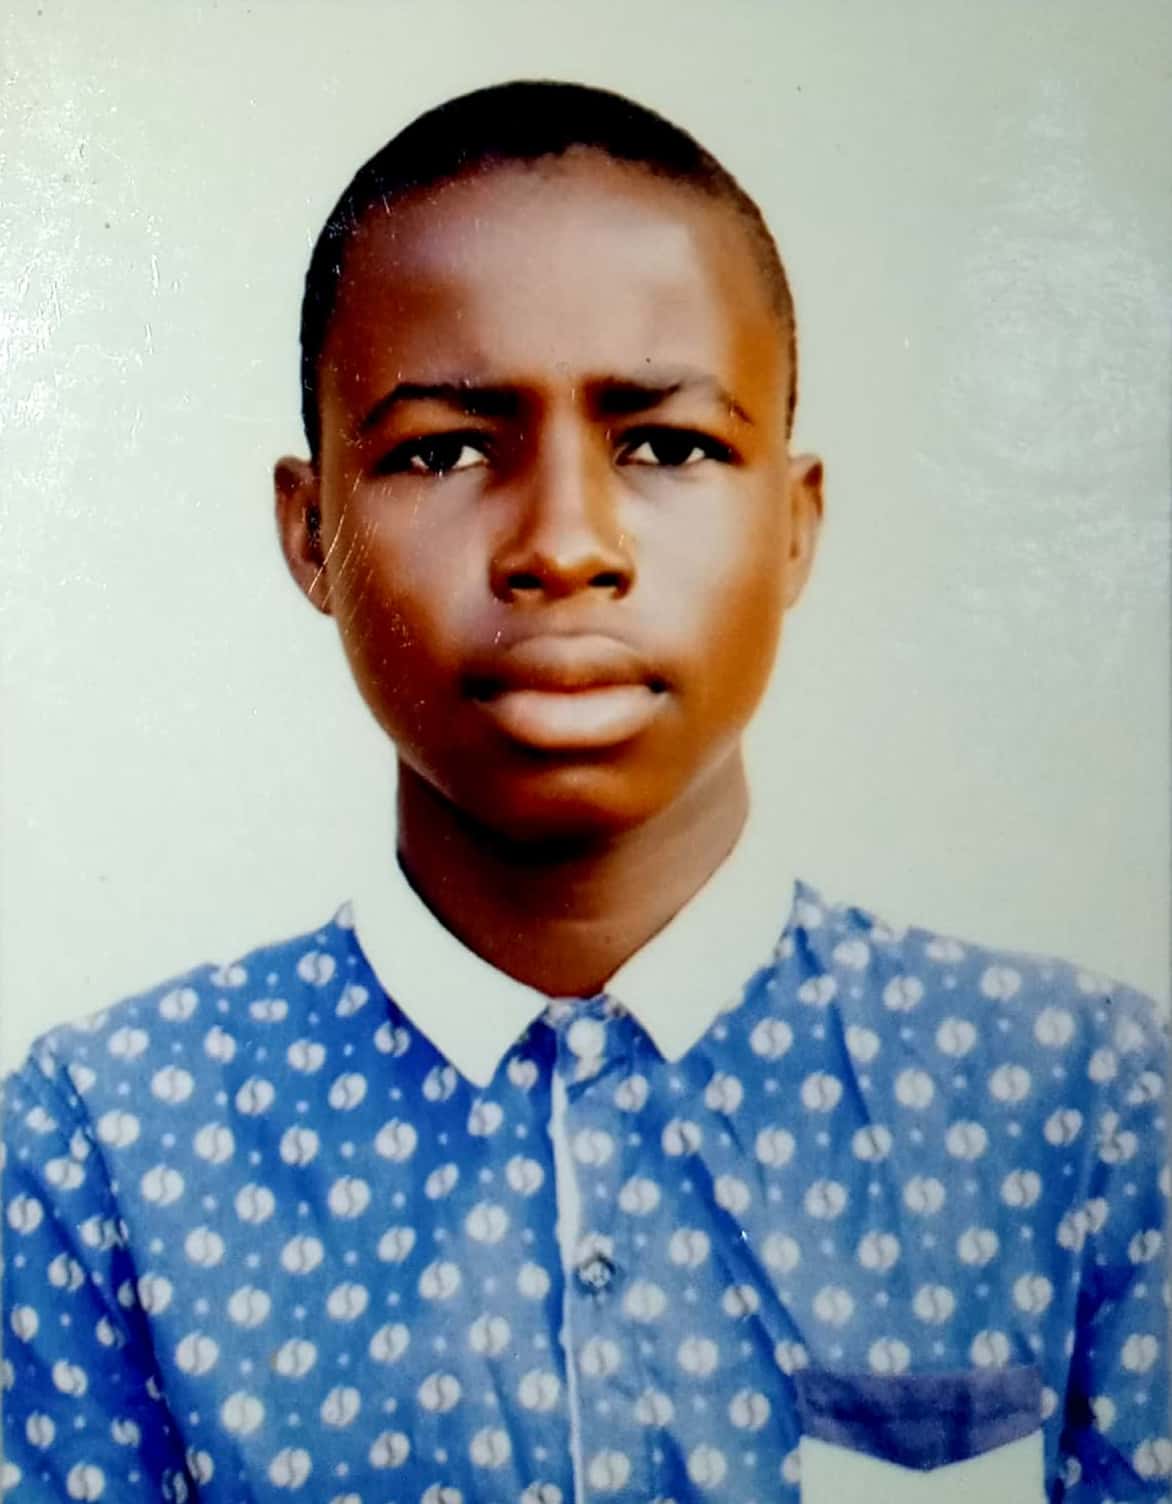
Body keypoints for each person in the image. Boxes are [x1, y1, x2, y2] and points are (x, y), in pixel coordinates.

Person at [2, 79, 1167, 1504]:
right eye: (446, 449)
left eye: (667, 446)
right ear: (312, 536)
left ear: (794, 525)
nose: (564, 544)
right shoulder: (110, 1150)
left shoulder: (1083, 1108)